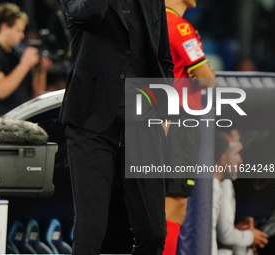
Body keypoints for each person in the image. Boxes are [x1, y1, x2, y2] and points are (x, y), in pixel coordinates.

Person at [59, 0, 174, 254]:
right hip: (90, 123)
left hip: (143, 122)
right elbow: (87, 13)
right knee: (91, 229)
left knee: (153, 231)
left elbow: (163, 58)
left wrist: (164, 112)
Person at [162, 0, 215, 254]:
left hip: (153, 116)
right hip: (180, 119)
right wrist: (205, 73)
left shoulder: (151, 24)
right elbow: (207, 79)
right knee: (174, 202)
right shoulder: (181, 28)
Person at [0, 2, 52, 116]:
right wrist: (25, 64)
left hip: (19, 121)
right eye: (18, 30)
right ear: (4, 27)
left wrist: (41, 71)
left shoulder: (15, 55)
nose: (22, 35)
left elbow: (36, 94)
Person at [212, 130, 268, 255]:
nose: (240, 160)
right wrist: (251, 236)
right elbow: (224, 234)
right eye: (237, 153)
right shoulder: (214, 185)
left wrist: (241, 231)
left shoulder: (222, 183)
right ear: (223, 158)